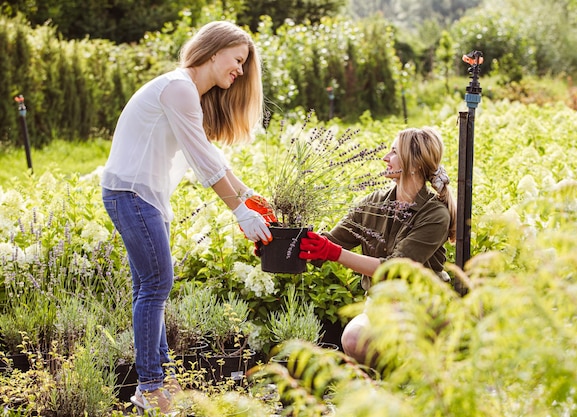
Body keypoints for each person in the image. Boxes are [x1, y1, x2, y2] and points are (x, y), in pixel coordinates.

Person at [101, 21, 274, 414]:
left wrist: (246, 194)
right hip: (132, 193)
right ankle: (150, 387)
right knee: (157, 285)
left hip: (140, 195)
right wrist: (240, 212)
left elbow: (210, 156)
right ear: (214, 52)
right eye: (238, 59)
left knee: (149, 286)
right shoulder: (179, 88)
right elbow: (202, 162)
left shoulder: (184, 90)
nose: (241, 70)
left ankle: (160, 379)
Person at [299, 127, 456, 365]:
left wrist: (334, 254)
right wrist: (281, 241)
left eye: (393, 152)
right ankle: (386, 388)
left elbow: (393, 269)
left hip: (423, 309)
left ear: (413, 164)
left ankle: (411, 384)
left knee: (376, 341)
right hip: (382, 305)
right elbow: (331, 241)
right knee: (353, 339)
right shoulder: (373, 203)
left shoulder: (435, 214)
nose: (385, 158)